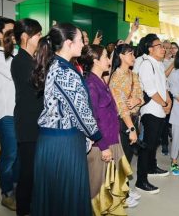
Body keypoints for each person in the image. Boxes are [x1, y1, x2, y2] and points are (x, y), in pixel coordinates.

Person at [31, 23, 102, 216]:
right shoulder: (65, 71)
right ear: (69, 43)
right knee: (67, 199)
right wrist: (96, 134)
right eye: (80, 40)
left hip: (53, 141)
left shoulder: (56, 65)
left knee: (55, 199)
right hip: (64, 143)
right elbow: (80, 112)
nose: (83, 44)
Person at [80, 44, 134, 214]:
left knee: (110, 183)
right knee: (97, 187)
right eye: (105, 56)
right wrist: (103, 147)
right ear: (95, 61)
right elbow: (92, 120)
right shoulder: (91, 85)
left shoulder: (100, 80)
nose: (109, 60)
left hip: (111, 138)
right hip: (101, 145)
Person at [9, 18, 43, 216]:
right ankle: (23, 210)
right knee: (28, 172)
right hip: (28, 123)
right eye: (37, 34)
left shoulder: (30, 59)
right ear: (25, 37)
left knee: (34, 171)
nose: (39, 37)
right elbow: (37, 88)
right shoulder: (21, 61)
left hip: (34, 122)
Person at [136, 33, 171, 194]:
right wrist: (164, 103)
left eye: (163, 46)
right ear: (150, 49)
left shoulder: (159, 64)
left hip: (161, 110)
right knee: (146, 146)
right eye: (159, 46)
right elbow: (150, 90)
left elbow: (164, 86)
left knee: (154, 143)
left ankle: (151, 167)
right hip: (150, 111)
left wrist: (168, 101)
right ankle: (141, 180)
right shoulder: (146, 64)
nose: (163, 49)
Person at [109, 43, 144, 206]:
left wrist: (137, 100)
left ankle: (125, 188)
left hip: (134, 119)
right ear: (121, 56)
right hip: (123, 123)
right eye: (130, 54)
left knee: (128, 157)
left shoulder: (133, 75)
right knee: (121, 159)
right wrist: (131, 129)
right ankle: (120, 195)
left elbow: (140, 96)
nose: (133, 57)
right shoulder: (115, 78)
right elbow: (121, 108)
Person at [0, 18, 17, 211]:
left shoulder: (15, 54)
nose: (15, 35)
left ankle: (17, 187)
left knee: (18, 153)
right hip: (5, 114)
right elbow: (16, 74)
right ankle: (7, 192)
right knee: (9, 154)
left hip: (19, 113)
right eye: (10, 31)